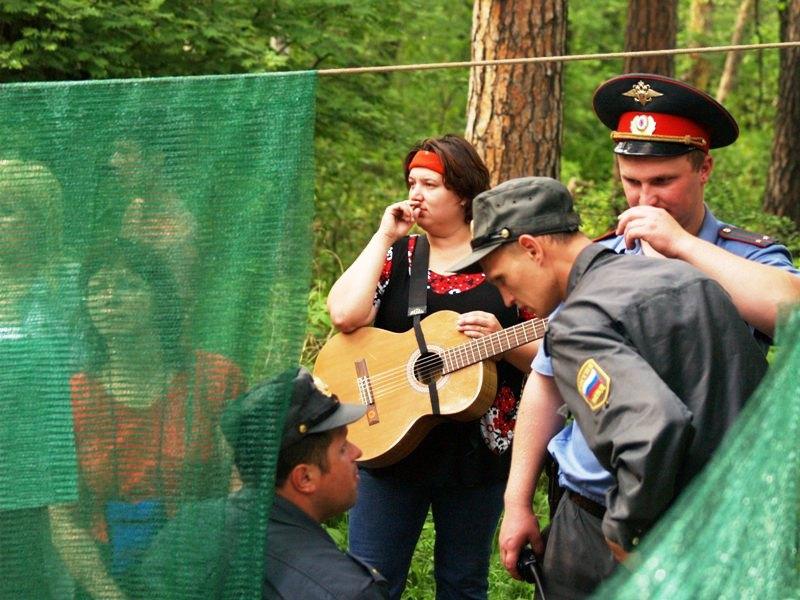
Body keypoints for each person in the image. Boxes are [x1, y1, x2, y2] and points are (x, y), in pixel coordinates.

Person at [498, 73, 800, 597]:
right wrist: (516, 502)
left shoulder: (745, 255)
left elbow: (791, 310)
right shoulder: (600, 258)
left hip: (704, 522)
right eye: (632, 181)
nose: (645, 198)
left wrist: (684, 247)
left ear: (703, 168)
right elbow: (547, 383)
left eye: (662, 181)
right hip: (588, 518)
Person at [450, 176, 769, 599]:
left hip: (615, 536)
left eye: (502, 278)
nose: (507, 299)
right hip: (719, 529)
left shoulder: (579, 320)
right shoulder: (687, 281)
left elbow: (653, 426)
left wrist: (625, 534)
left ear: (531, 247)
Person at [327, 134, 536, 599]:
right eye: (411, 182)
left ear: (463, 192)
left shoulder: (505, 260)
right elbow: (344, 315)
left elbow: (551, 353)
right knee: (370, 581)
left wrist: (500, 348)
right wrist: (384, 236)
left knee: (463, 584)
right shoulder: (397, 257)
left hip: (476, 458)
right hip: (390, 448)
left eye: (430, 184)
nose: (415, 193)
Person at [49, 240, 243, 599]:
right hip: (107, 575)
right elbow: (61, 516)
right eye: (96, 289)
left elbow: (242, 487)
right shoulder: (74, 395)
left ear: (159, 299)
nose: (110, 299)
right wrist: (108, 594)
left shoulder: (214, 378)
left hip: (205, 568)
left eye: (127, 284)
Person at [136, 366, 387, 599]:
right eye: (343, 448)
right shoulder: (346, 590)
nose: (358, 452)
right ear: (305, 478)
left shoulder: (187, 530)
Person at [0, 159, 78, 599]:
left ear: (40, 219)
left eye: (9, 209)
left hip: (47, 466)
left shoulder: (67, 285)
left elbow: (86, 368)